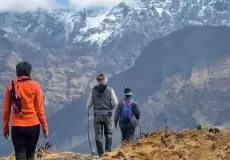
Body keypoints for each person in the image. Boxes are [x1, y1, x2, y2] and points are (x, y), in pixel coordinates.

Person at [2, 61, 49, 160]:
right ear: (29, 72)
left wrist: (5, 128)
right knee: (30, 156)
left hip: (17, 127)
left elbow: (6, 110)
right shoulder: (35, 85)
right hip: (33, 126)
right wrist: (44, 126)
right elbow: (39, 109)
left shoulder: (11, 86)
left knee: (19, 156)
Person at [87, 73, 118, 157]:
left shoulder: (94, 90)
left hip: (97, 115)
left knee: (98, 134)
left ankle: (101, 154)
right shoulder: (110, 90)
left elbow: (89, 104)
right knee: (108, 133)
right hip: (107, 114)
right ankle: (108, 153)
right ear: (105, 80)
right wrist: (109, 108)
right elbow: (115, 102)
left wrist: (90, 108)